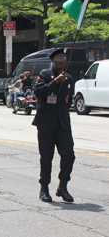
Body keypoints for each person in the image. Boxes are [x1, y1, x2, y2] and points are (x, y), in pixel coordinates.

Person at [32, 48, 75, 203]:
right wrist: (55, 81)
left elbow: (68, 101)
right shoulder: (44, 74)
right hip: (46, 124)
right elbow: (38, 92)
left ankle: (62, 187)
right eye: (58, 57)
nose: (61, 60)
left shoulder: (69, 78)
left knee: (69, 155)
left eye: (63, 58)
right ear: (52, 60)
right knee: (46, 158)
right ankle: (44, 188)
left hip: (63, 124)